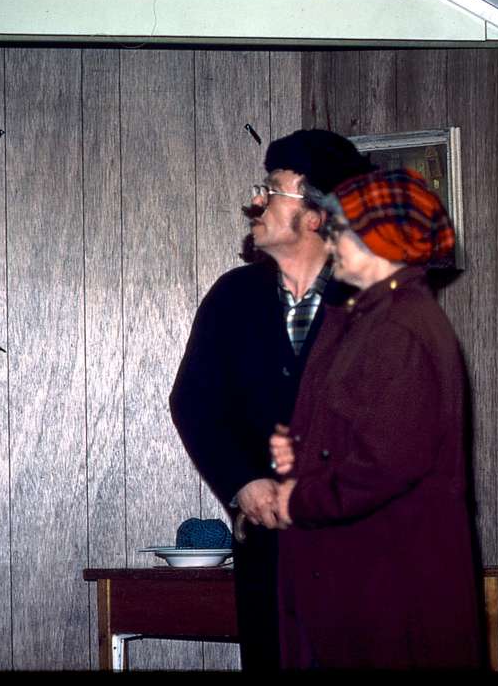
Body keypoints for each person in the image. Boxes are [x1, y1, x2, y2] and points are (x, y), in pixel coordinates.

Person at [169, 129, 374, 670]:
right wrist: (242, 482)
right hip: (269, 553)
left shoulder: (376, 301)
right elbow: (194, 401)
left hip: (363, 551)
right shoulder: (233, 296)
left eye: (272, 189)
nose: (255, 202)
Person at [267, 168, 483, 669]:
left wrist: (299, 500)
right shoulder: (369, 318)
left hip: (386, 589)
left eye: (342, 230)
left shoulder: (399, 328)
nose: (331, 241)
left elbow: (385, 465)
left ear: (381, 240)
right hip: (359, 580)